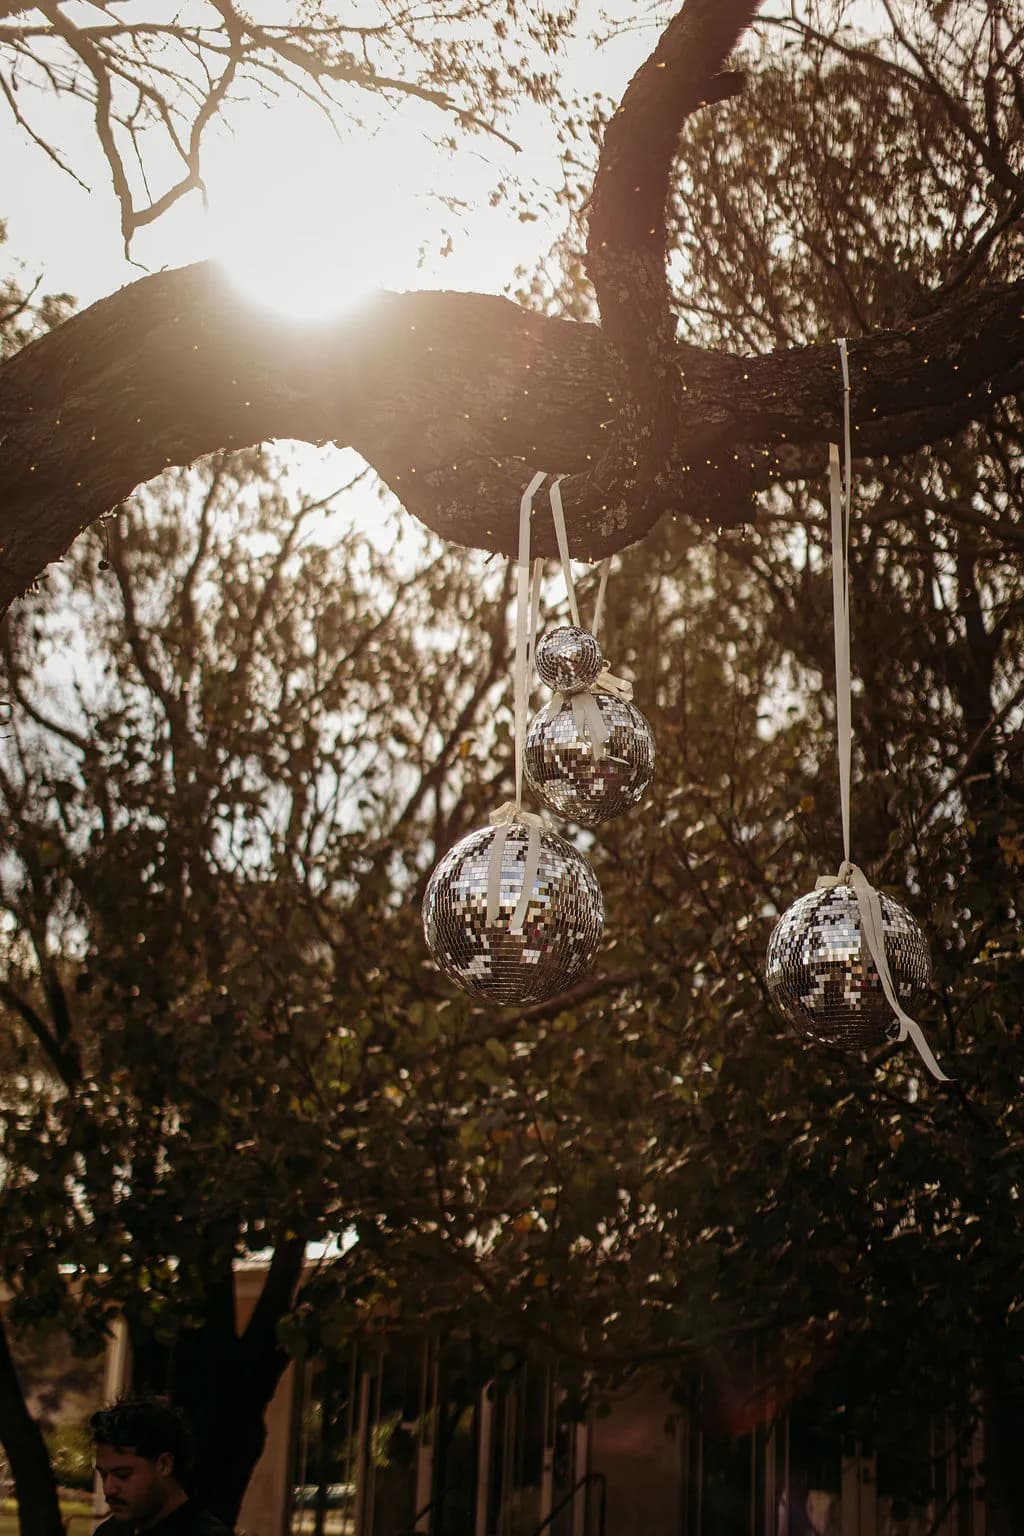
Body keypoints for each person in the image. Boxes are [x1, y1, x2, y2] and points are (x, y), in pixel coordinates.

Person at [90, 1395, 234, 1533]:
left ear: (164, 1465)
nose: (109, 1489)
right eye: (103, 1475)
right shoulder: (109, 1531)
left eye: (122, 1475)